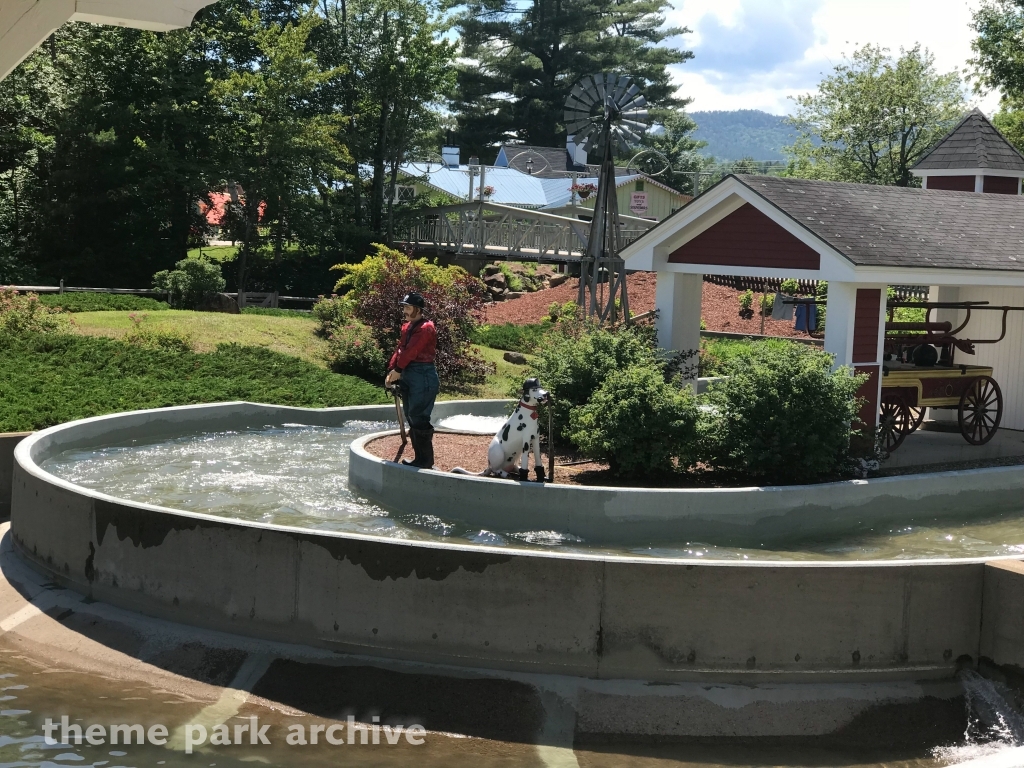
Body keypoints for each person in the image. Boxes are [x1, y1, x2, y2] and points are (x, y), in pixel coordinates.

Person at [385, 292, 439, 468]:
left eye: (408, 307)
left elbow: (413, 351)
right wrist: (392, 370)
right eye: (404, 307)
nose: (405, 311)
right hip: (409, 372)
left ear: (418, 309)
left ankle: (425, 460)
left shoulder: (426, 328)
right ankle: (420, 459)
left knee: (419, 416)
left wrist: (399, 369)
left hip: (423, 375)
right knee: (411, 415)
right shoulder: (407, 327)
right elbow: (401, 349)